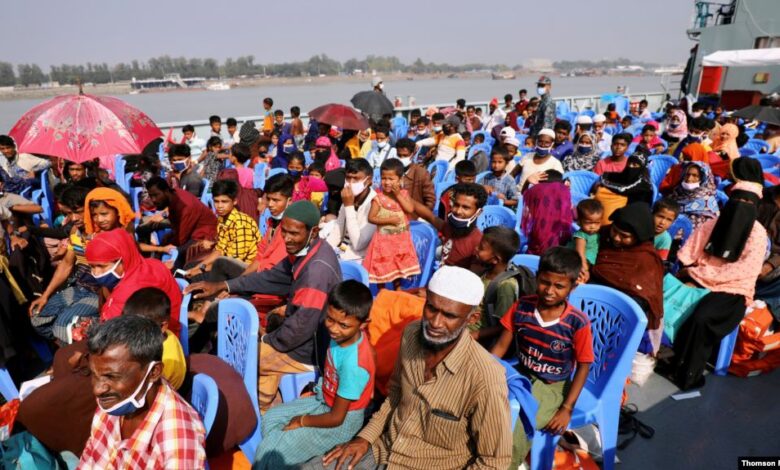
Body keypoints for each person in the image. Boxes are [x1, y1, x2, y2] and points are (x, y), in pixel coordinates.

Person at [302, 266, 511, 470]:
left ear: (471, 319)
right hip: (383, 449)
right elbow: (394, 396)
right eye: (431, 308)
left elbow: (493, 462)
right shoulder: (411, 334)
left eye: (449, 316)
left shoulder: (485, 377)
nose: (436, 323)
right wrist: (364, 438)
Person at [187, 201, 341, 411]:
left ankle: (243, 414)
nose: (286, 239)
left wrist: (265, 339)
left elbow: (299, 329)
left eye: (293, 233)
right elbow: (271, 277)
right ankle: (261, 412)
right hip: (297, 333)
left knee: (241, 360)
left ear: (313, 232)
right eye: (283, 232)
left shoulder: (316, 273)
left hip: (308, 348)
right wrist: (224, 285)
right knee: (248, 355)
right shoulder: (306, 250)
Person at [254, 281, 376, 469]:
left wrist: (301, 421)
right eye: (330, 319)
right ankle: (291, 451)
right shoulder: (342, 337)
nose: (334, 329)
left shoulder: (354, 365)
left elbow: (337, 418)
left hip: (340, 421)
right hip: (323, 400)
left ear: (363, 324)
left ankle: (283, 454)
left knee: (271, 451)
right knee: (271, 418)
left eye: (343, 325)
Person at [492, 247, 593, 468]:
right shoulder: (522, 307)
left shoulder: (577, 322)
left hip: (553, 386)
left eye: (559, 286)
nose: (549, 291)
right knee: (488, 410)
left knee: (516, 427)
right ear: (537, 278)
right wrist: (485, 374)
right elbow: (500, 345)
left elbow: (584, 366)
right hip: (520, 373)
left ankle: (505, 464)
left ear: (572, 287)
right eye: (545, 282)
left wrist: (567, 408)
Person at [668, 185, 767, 390]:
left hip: (733, 287)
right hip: (702, 274)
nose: (742, 206)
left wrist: (700, 275)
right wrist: (690, 270)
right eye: (738, 200)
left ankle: (689, 371)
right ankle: (663, 354)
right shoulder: (714, 223)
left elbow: (744, 271)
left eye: (748, 202)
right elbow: (691, 250)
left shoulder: (757, 233)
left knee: (702, 317)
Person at [79, 315, 206, 468]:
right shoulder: (116, 398)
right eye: (94, 374)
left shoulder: (177, 442)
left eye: (111, 376)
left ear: (153, 372)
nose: (97, 389)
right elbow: (91, 452)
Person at [28, 186, 100, 343]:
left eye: (78, 211)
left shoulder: (102, 233)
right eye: (68, 213)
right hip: (78, 288)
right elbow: (67, 264)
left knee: (63, 326)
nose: (74, 218)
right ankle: (72, 353)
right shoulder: (75, 231)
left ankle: (77, 356)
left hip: (98, 293)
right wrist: (45, 296)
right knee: (37, 318)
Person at [85, 229, 183, 334]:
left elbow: (110, 334)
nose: (96, 273)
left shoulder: (130, 290)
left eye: (101, 266)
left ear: (123, 259)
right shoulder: (152, 264)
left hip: (156, 342)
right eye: (92, 266)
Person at [591, 203, 665, 342]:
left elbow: (641, 299)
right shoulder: (603, 236)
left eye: (624, 236)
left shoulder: (645, 259)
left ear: (639, 236)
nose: (616, 238)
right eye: (615, 231)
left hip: (615, 323)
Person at [185, 179, 260, 282]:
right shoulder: (222, 219)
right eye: (216, 201)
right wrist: (198, 267)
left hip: (243, 269)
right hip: (224, 263)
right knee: (189, 267)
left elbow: (233, 261)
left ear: (235, 201)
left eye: (224, 202)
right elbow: (219, 250)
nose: (219, 206)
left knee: (195, 277)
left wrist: (200, 270)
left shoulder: (241, 224)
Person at [363, 159, 421, 287]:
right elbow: (371, 218)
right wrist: (388, 220)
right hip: (383, 242)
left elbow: (410, 209)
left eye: (391, 179)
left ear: (400, 180)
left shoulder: (404, 194)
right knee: (382, 267)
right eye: (384, 178)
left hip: (401, 240)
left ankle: (397, 289)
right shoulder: (379, 198)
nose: (387, 182)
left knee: (398, 265)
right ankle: (382, 290)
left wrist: (398, 194)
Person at [144, 177, 218, 268]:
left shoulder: (185, 208)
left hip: (205, 234)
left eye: (156, 195)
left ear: (166, 191)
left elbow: (181, 240)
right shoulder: (174, 193)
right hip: (190, 229)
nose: (153, 200)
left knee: (176, 250)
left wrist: (162, 247)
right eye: (151, 196)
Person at [122, 287, 186, 390]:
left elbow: (143, 390)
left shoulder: (166, 361)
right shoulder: (163, 336)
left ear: (162, 327)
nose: (130, 333)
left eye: (138, 329)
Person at [414, 182, 486, 269]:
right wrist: (400, 195)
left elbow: (472, 277)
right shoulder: (449, 227)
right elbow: (429, 216)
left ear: (478, 212)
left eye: (465, 207)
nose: (458, 211)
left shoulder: (478, 242)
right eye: (456, 205)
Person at [470, 226, 521, 342]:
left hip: (479, 338)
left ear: (495, 259)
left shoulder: (506, 286)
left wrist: (473, 335)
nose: (476, 248)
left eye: (481, 248)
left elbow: (502, 327)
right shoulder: (485, 271)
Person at [325, 159, 377, 262]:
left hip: (359, 257)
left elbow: (358, 244)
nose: (350, 183)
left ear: (368, 180)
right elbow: (338, 231)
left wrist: (349, 206)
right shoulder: (348, 195)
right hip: (342, 250)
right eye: (348, 178)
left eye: (356, 179)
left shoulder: (374, 203)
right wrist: (325, 250)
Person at [521, 170, 573, 255]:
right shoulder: (563, 192)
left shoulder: (536, 191)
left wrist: (527, 182)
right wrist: (567, 189)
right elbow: (573, 214)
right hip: (557, 242)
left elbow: (524, 195)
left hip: (536, 238)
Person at [593, 153, 654, 224]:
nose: (630, 167)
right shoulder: (623, 176)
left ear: (642, 168)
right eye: (629, 164)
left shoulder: (644, 186)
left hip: (629, 220)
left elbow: (623, 190)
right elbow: (607, 175)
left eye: (635, 165)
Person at [668, 161, 719, 228]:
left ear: (703, 178)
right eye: (687, 175)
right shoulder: (677, 192)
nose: (689, 179)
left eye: (695, 176)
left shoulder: (707, 200)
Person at [394, 138, 435, 216]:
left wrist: (423, 217)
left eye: (405, 155)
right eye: (399, 155)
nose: (402, 158)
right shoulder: (393, 171)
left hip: (415, 216)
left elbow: (430, 201)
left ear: (413, 154)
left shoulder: (422, 173)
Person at [569, 199, 604, 283]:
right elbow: (580, 253)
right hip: (578, 262)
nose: (593, 226)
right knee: (580, 279)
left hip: (589, 262)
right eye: (588, 223)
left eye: (597, 223)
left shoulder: (597, 233)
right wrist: (585, 268)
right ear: (579, 222)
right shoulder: (581, 236)